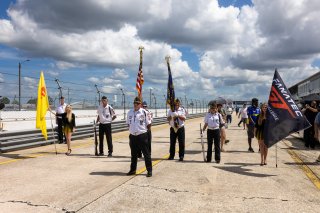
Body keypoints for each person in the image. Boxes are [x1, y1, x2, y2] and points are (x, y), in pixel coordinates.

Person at [126, 97, 152, 177]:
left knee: (146, 154)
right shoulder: (130, 112)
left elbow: (149, 124)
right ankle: (133, 170)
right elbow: (128, 123)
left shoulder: (144, 112)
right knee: (133, 154)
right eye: (134, 103)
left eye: (137, 103)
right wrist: (132, 130)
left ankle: (149, 170)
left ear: (140, 104)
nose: (135, 105)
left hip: (142, 135)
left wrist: (144, 132)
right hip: (133, 136)